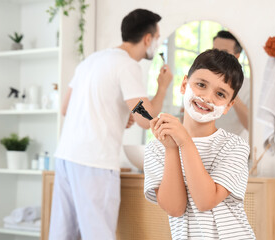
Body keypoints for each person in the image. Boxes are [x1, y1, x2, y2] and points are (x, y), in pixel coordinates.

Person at [49, 9, 173, 240]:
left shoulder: (91, 61)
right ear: (148, 38)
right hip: (94, 163)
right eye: (157, 38)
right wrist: (163, 87)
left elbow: (66, 108)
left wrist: (116, 114)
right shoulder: (127, 66)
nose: (156, 43)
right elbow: (145, 118)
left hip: (66, 158)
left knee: (62, 234)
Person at [144, 49, 255, 239]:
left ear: (228, 105)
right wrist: (171, 148)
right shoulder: (156, 149)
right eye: (201, 85)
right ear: (184, 84)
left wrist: (185, 142)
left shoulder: (235, 146)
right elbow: (175, 208)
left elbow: (205, 201)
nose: (207, 97)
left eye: (220, 94)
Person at [213, 30, 249, 138]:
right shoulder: (200, 81)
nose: (217, 57)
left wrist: (230, 90)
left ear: (237, 56)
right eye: (215, 51)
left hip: (232, 150)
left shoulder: (249, 86)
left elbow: (251, 126)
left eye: (224, 52)